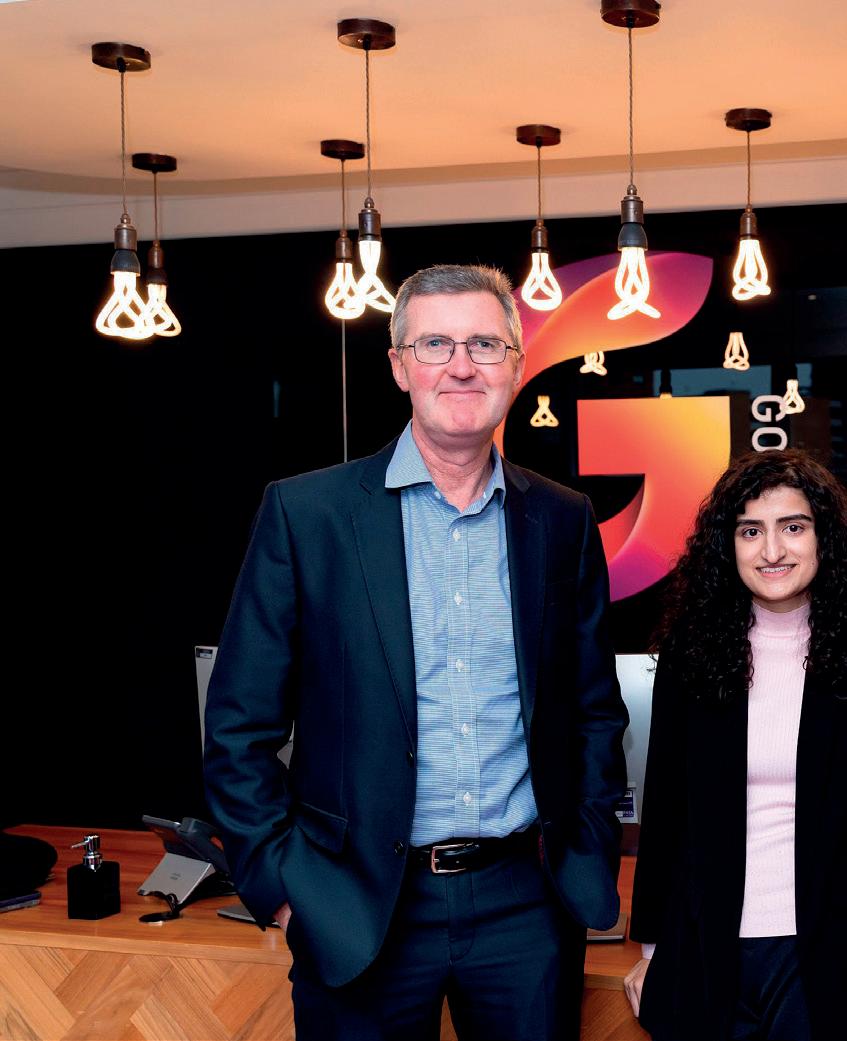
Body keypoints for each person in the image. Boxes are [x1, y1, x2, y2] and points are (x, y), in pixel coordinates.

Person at [202, 264, 628, 1040]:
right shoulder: (308, 513)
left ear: (516, 365)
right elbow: (237, 727)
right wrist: (288, 889)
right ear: (400, 365)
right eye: (435, 344)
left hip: (525, 907)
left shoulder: (563, 519)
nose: (461, 365)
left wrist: (587, 849)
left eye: (484, 344)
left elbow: (594, 710)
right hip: (359, 904)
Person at [622, 449, 847, 1041]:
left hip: (833, 948)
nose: (772, 551)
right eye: (750, 531)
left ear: (824, 537)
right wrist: (651, 946)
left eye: (793, 527)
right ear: (727, 545)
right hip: (706, 944)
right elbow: (665, 805)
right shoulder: (693, 648)